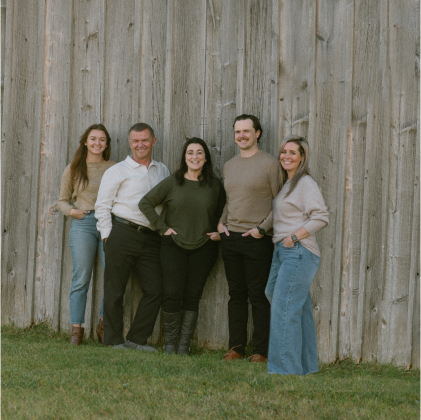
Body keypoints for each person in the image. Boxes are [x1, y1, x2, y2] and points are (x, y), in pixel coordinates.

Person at [139, 138, 226, 355]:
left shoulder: (215, 185)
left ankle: (183, 345)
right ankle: (170, 344)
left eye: (199, 153)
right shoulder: (172, 182)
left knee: (193, 294)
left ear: (205, 158)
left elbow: (224, 211)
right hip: (173, 246)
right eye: (190, 153)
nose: (194, 157)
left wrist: (219, 232)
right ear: (184, 157)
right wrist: (162, 228)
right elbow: (145, 203)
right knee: (171, 293)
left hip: (204, 247)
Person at [95, 123, 170, 350]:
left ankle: (137, 340)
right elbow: (102, 207)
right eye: (135, 141)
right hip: (122, 233)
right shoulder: (117, 171)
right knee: (115, 290)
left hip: (151, 238)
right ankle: (113, 341)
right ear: (129, 143)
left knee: (156, 289)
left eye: (145, 140)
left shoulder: (162, 170)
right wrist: (108, 236)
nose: (140, 145)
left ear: (153, 141)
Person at [217, 114, 280, 362]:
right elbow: (230, 200)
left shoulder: (270, 164)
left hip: (257, 239)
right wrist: (221, 224)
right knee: (236, 295)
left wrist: (262, 229)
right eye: (237, 131)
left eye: (246, 131)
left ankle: (261, 351)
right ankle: (236, 348)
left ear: (258, 133)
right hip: (231, 238)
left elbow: (280, 202)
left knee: (258, 295)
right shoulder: (229, 165)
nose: (241, 135)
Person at [265, 135, 329, 375]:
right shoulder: (288, 184)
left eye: (293, 152)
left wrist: (293, 237)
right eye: (284, 151)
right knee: (288, 302)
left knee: (284, 307)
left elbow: (321, 217)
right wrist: (262, 230)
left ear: (302, 157)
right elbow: (279, 216)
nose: (286, 156)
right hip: (283, 252)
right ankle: (307, 366)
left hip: (299, 252)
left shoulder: (305, 183)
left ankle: (285, 371)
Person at [58, 124, 115, 345]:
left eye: (102, 140)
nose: (97, 143)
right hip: (83, 224)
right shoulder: (73, 168)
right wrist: (73, 211)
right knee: (81, 278)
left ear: (107, 144)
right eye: (93, 139)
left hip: (108, 223)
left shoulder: (113, 168)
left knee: (112, 277)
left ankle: (103, 327)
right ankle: (76, 332)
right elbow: (62, 200)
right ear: (85, 142)